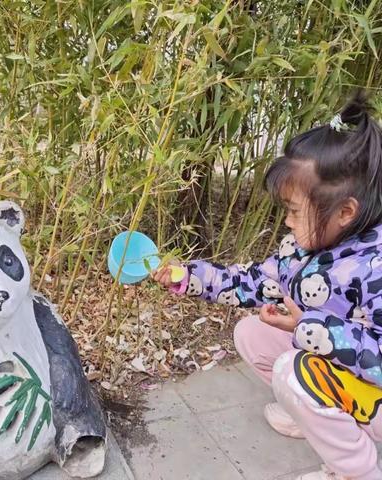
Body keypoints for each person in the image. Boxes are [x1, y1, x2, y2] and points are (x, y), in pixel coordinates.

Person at [153, 91, 382, 480]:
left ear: (345, 212)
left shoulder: (374, 267)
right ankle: (317, 414)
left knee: (293, 371)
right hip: (338, 369)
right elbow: (256, 281)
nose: (287, 222)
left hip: (373, 395)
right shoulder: (305, 246)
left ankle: (356, 470)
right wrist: (190, 277)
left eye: (294, 212)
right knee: (251, 333)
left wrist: (309, 328)